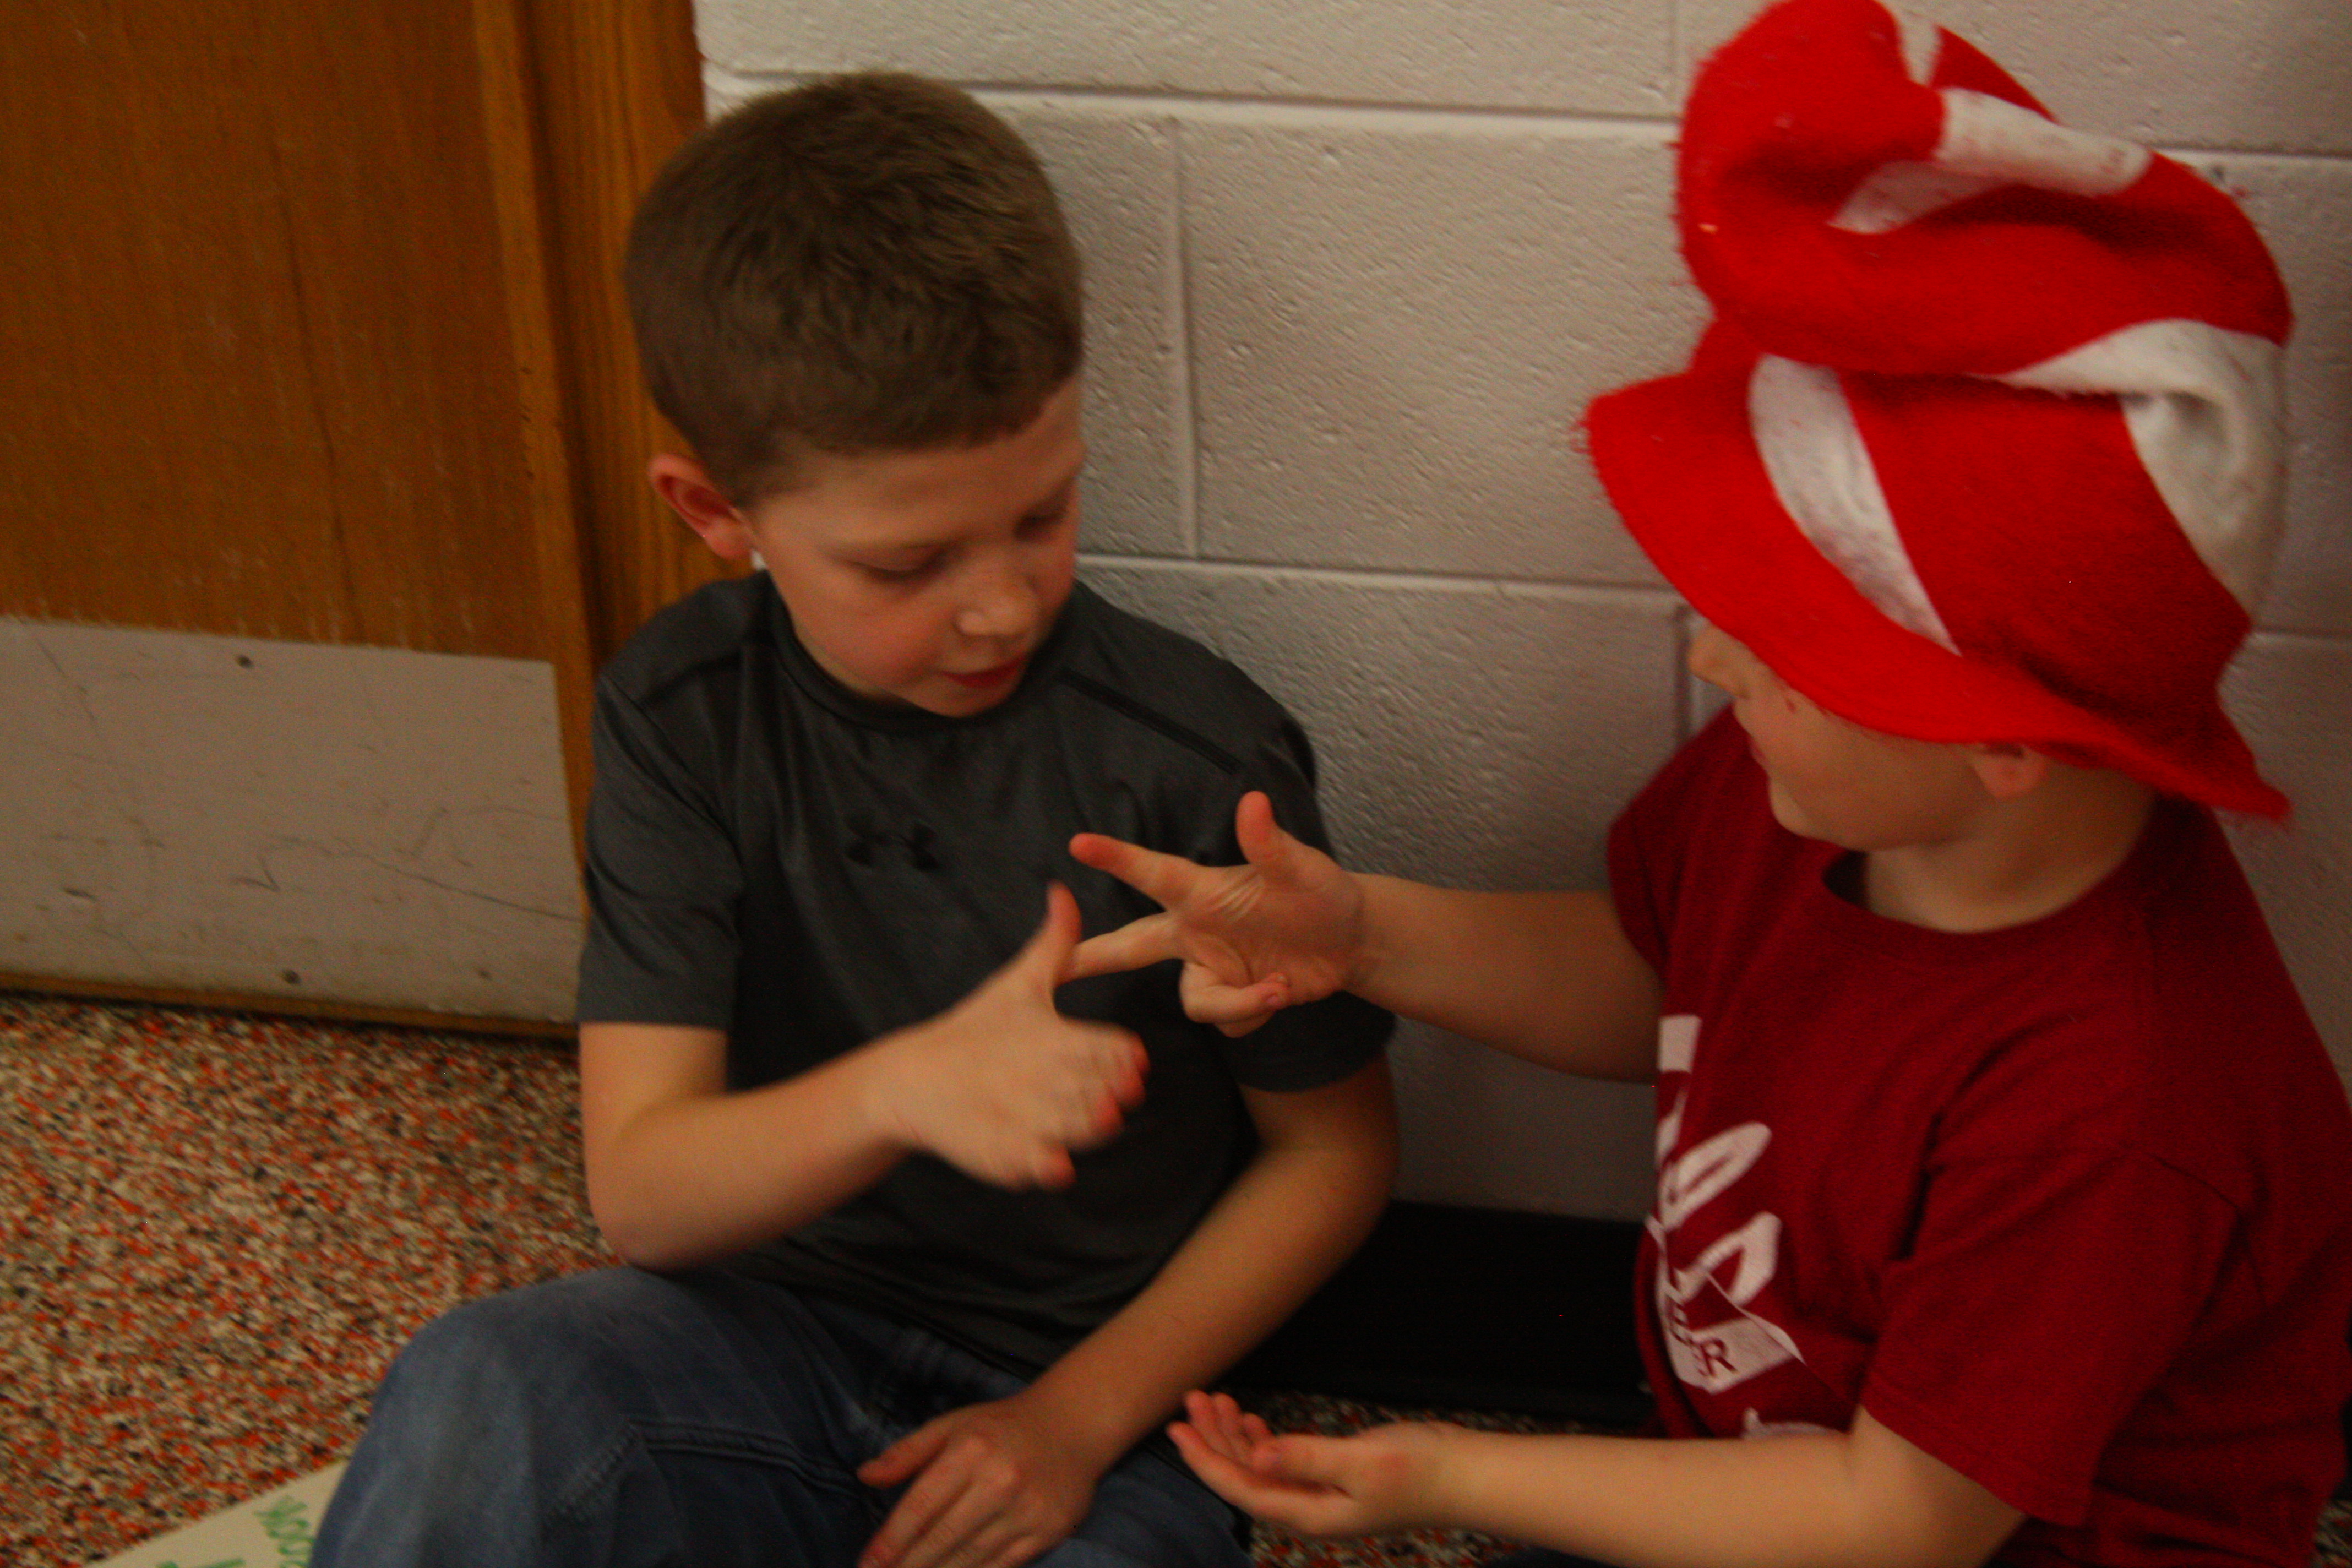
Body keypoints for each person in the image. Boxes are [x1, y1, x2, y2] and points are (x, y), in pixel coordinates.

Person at [1063, 2, 2352, 1565]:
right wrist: (1362, 939)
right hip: (1762, 1472)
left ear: (2007, 740)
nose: (1718, 659)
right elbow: (1655, 974)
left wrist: (1450, 1481)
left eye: (1786, 638)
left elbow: (1899, 1517)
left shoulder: (2123, 1101)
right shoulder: (1812, 786)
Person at [312, 72, 1397, 1568]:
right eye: (910, 563)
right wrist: (905, 1091)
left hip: (1098, 1401)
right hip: (755, 1332)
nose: (1004, 602)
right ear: (715, 513)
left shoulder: (1192, 751)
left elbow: (1332, 1157)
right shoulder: (682, 713)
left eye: (1043, 513)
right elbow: (647, 1195)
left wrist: (1074, 1424)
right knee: (488, 1386)